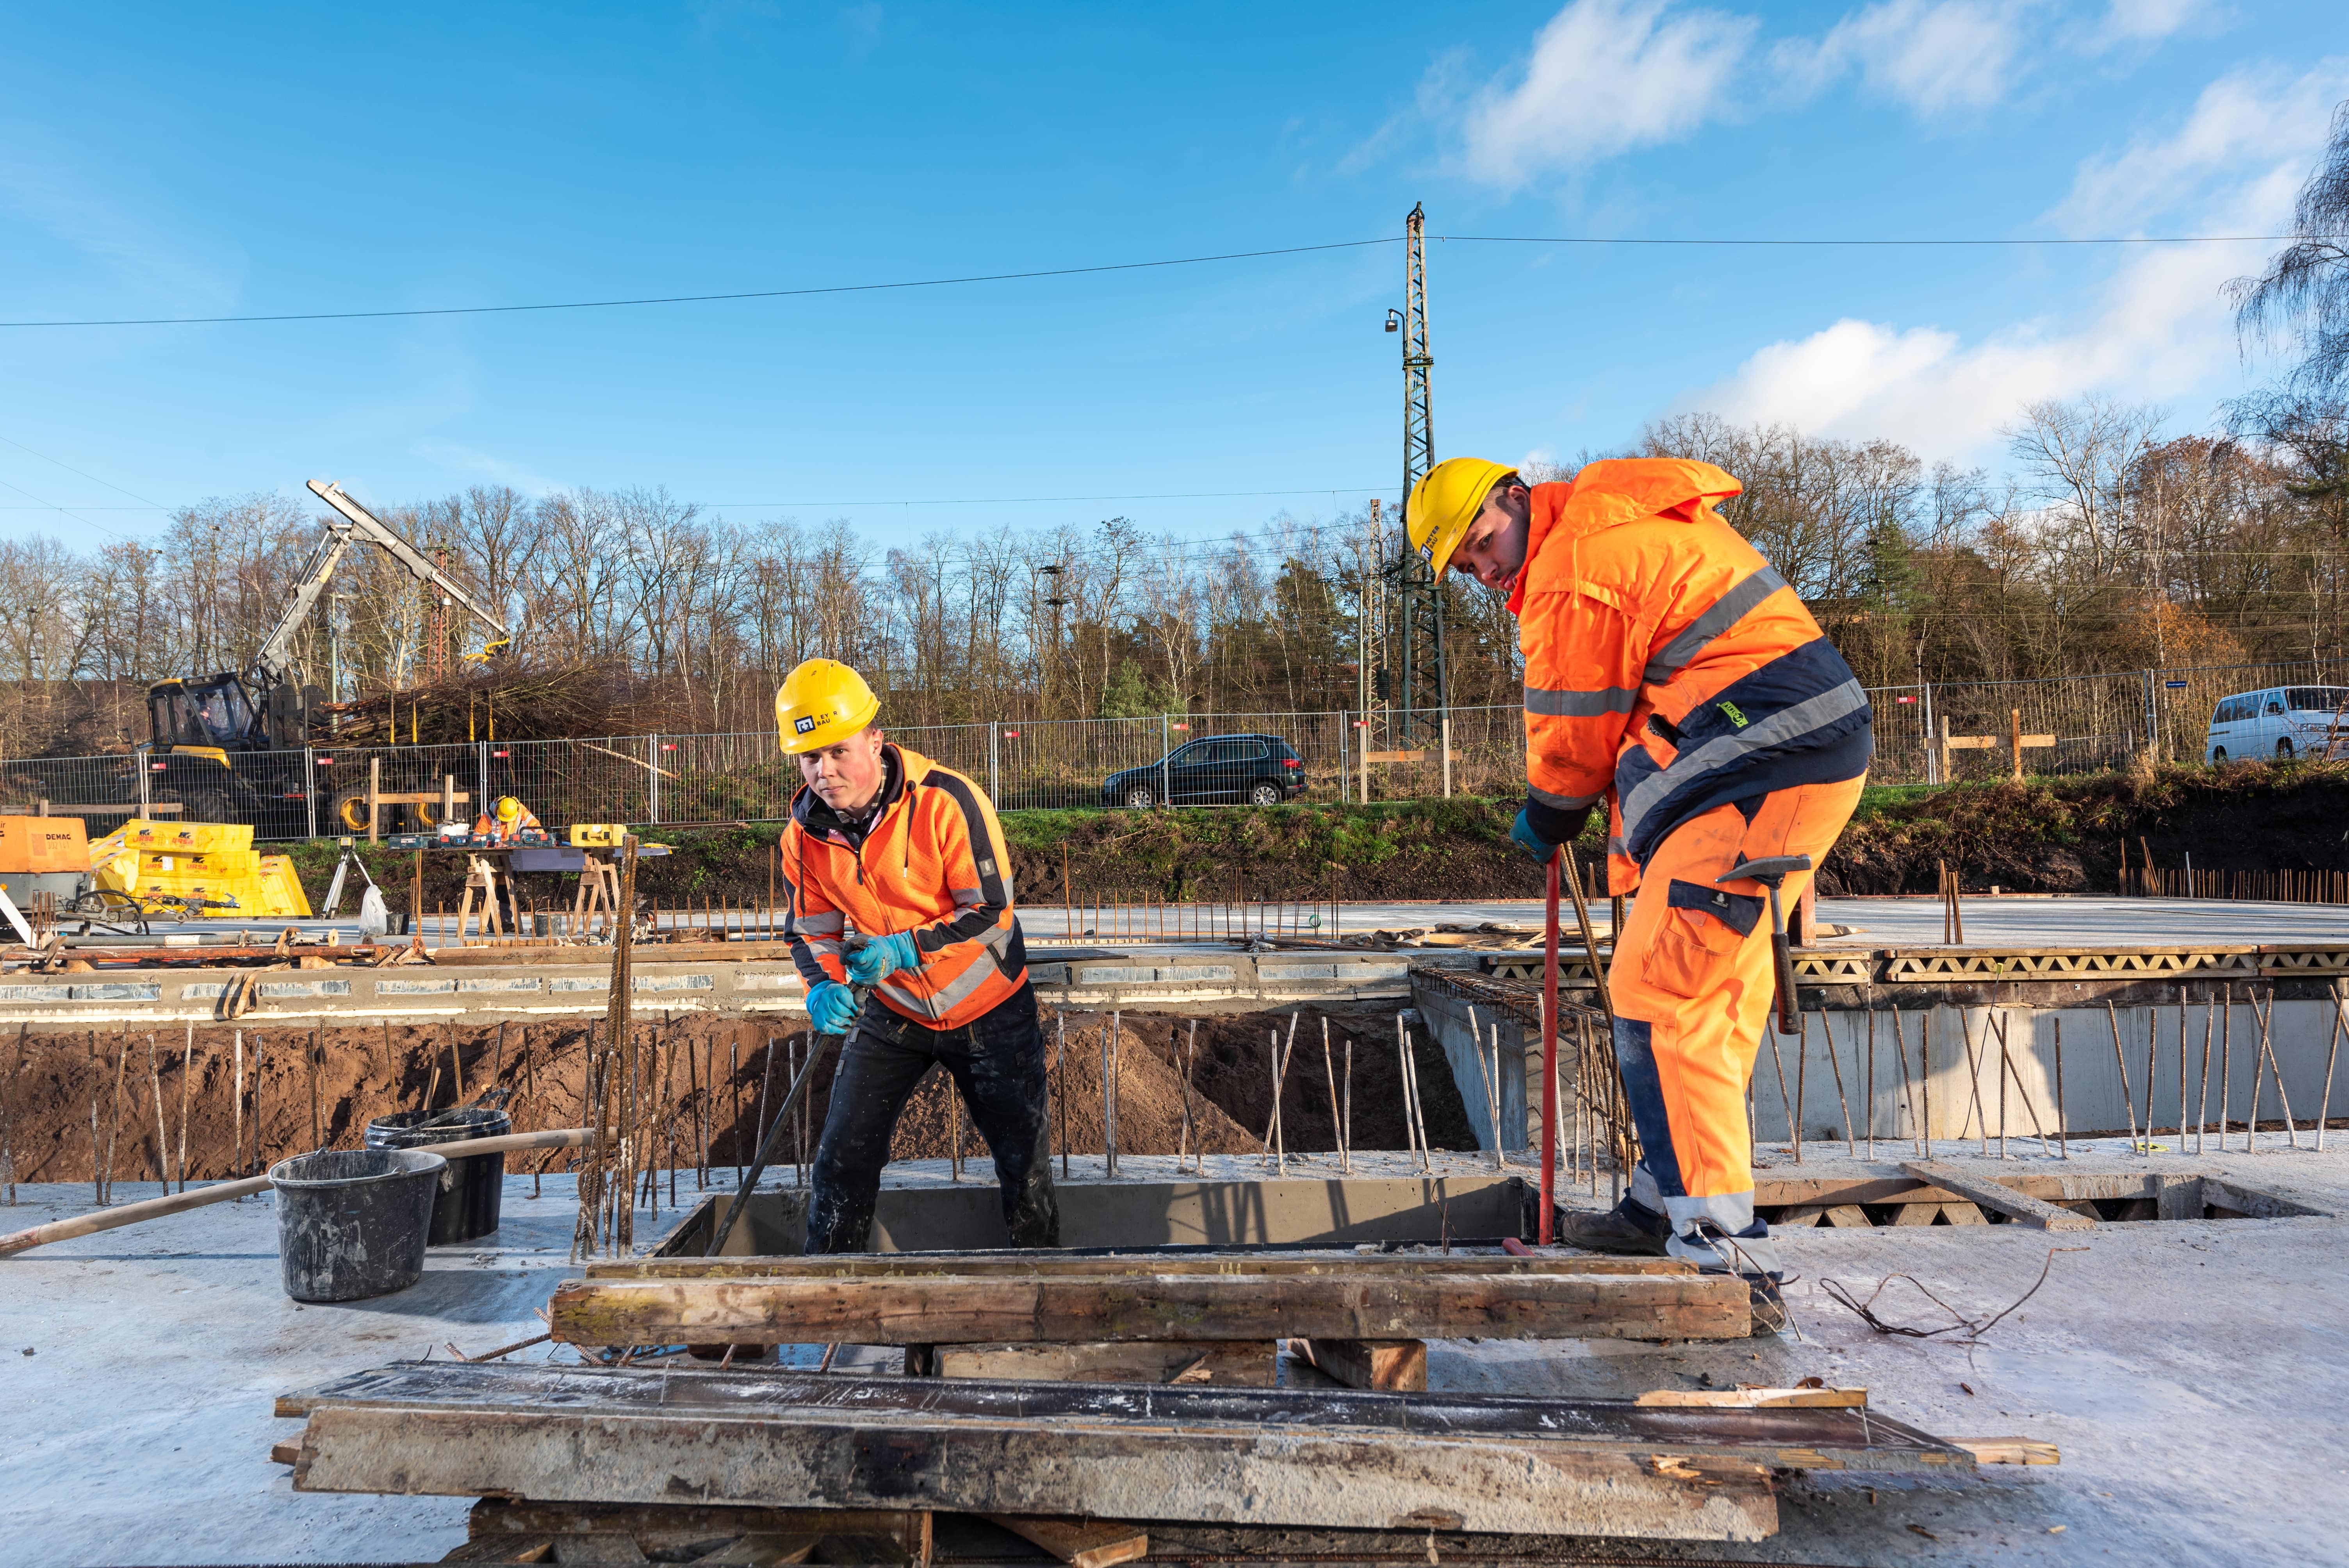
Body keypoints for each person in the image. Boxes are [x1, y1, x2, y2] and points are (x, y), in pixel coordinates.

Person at [1407, 456, 1872, 1284]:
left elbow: (1575, 722)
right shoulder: (1616, 520)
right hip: (1790, 739)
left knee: (1660, 995)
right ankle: (1663, 1203)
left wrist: (1552, 810)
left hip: (1757, 750)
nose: (1482, 570)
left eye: (1482, 544)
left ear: (1516, 497)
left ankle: (1715, 1244)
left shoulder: (1569, 569)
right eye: (1465, 565)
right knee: (1713, 999)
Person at [775, 657, 1057, 1253]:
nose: (824, 772)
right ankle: (831, 1303)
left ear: (875, 740)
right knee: (842, 1160)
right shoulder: (803, 836)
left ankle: (1041, 1294)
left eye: (838, 751)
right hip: (894, 1010)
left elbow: (991, 911)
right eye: (809, 758)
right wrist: (821, 986)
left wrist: (904, 947)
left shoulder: (947, 801)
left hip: (990, 1006)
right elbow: (811, 931)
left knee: (1023, 1165)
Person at [472, 795, 543, 843]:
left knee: (527, 833)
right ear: (497, 810)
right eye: (503, 821)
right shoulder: (488, 817)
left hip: (516, 843)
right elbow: (476, 837)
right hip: (497, 846)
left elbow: (535, 825)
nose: (506, 823)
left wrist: (543, 840)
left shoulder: (520, 809)